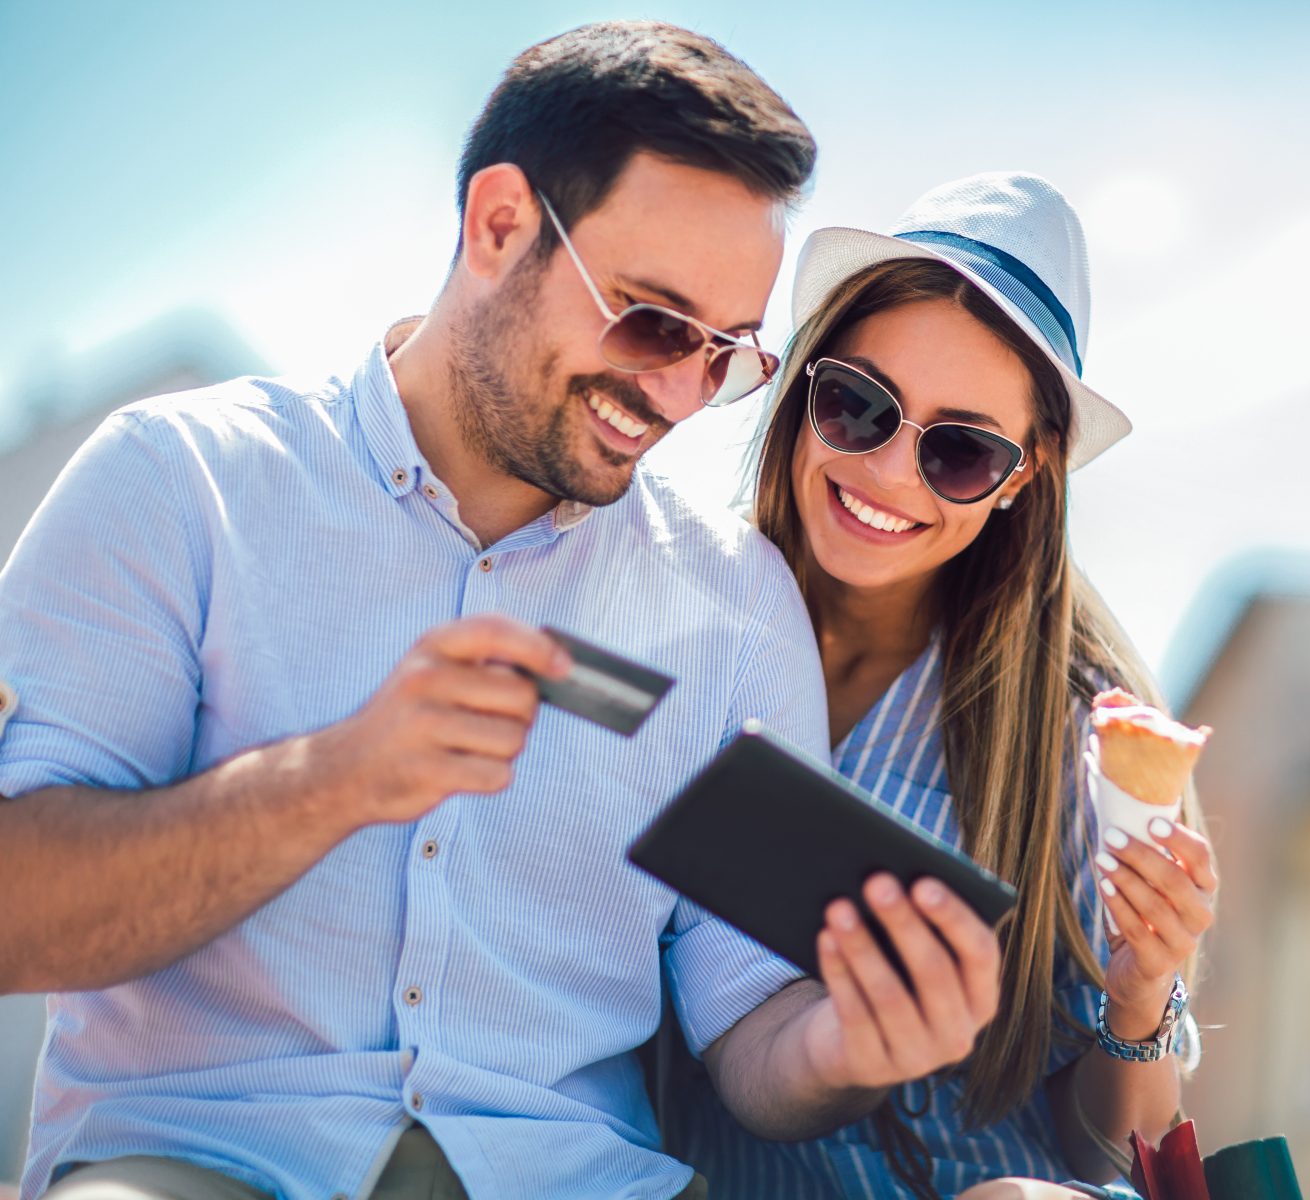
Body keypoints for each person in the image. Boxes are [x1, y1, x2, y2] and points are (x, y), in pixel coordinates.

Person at [0, 23, 1003, 1200]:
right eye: (651, 322)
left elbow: (747, 1029)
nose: (679, 395)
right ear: (499, 225)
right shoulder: (178, 481)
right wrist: (336, 779)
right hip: (205, 1162)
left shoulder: (733, 603)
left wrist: (846, 1050)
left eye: (725, 354)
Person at [669, 173, 1220, 1198]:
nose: (889, 473)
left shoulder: (1076, 729)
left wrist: (1144, 990)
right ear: (802, 386)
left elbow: (1111, 1149)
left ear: (1026, 475)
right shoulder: (671, 628)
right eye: (858, 404)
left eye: (961, 450)